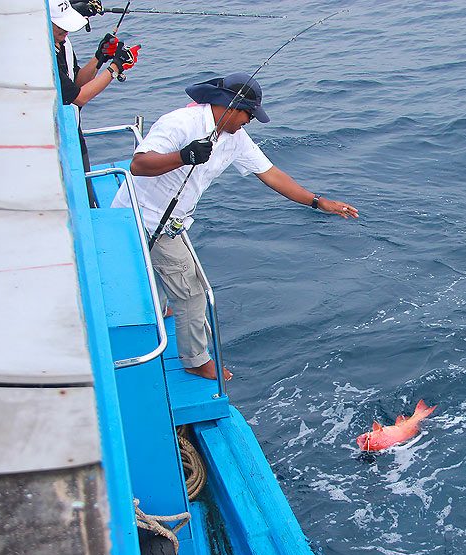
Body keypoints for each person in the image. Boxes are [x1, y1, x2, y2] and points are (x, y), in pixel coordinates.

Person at [112, 73, 359, 381]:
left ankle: (162, 310)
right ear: (230, 106)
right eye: (249, 114)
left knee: (165, 277)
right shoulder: (179, 123)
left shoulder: (235, 137)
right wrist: (184, 156)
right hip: (146, 219)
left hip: (175, 221)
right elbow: (139, 164)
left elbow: (271, 174)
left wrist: (317, 201)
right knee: (192, 294)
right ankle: (195, 360)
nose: (251, 121)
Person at [49, 0, 137, 109]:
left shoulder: (63, 42)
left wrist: (99, 57)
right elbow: (79, 98)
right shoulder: (45, 57)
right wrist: (116, 66)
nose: (66, 30)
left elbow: (77, 83)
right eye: (59, 26)